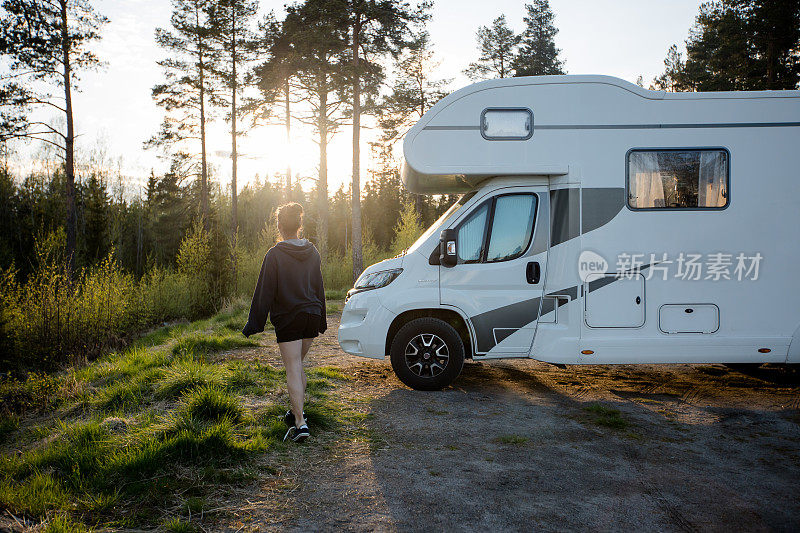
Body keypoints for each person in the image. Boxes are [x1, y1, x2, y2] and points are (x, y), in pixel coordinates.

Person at [242, 202, 326, 443]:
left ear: (279, 226)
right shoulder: (313, 252)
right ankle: (296, 410)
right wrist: (321, 320)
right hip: (311, 314)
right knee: (298, 365)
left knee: (293, 367)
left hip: (289, 317)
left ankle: (300, 423)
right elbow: (319, 289)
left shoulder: (275, 254)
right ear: (300, 225)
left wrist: (254, 323)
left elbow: (264, 292)